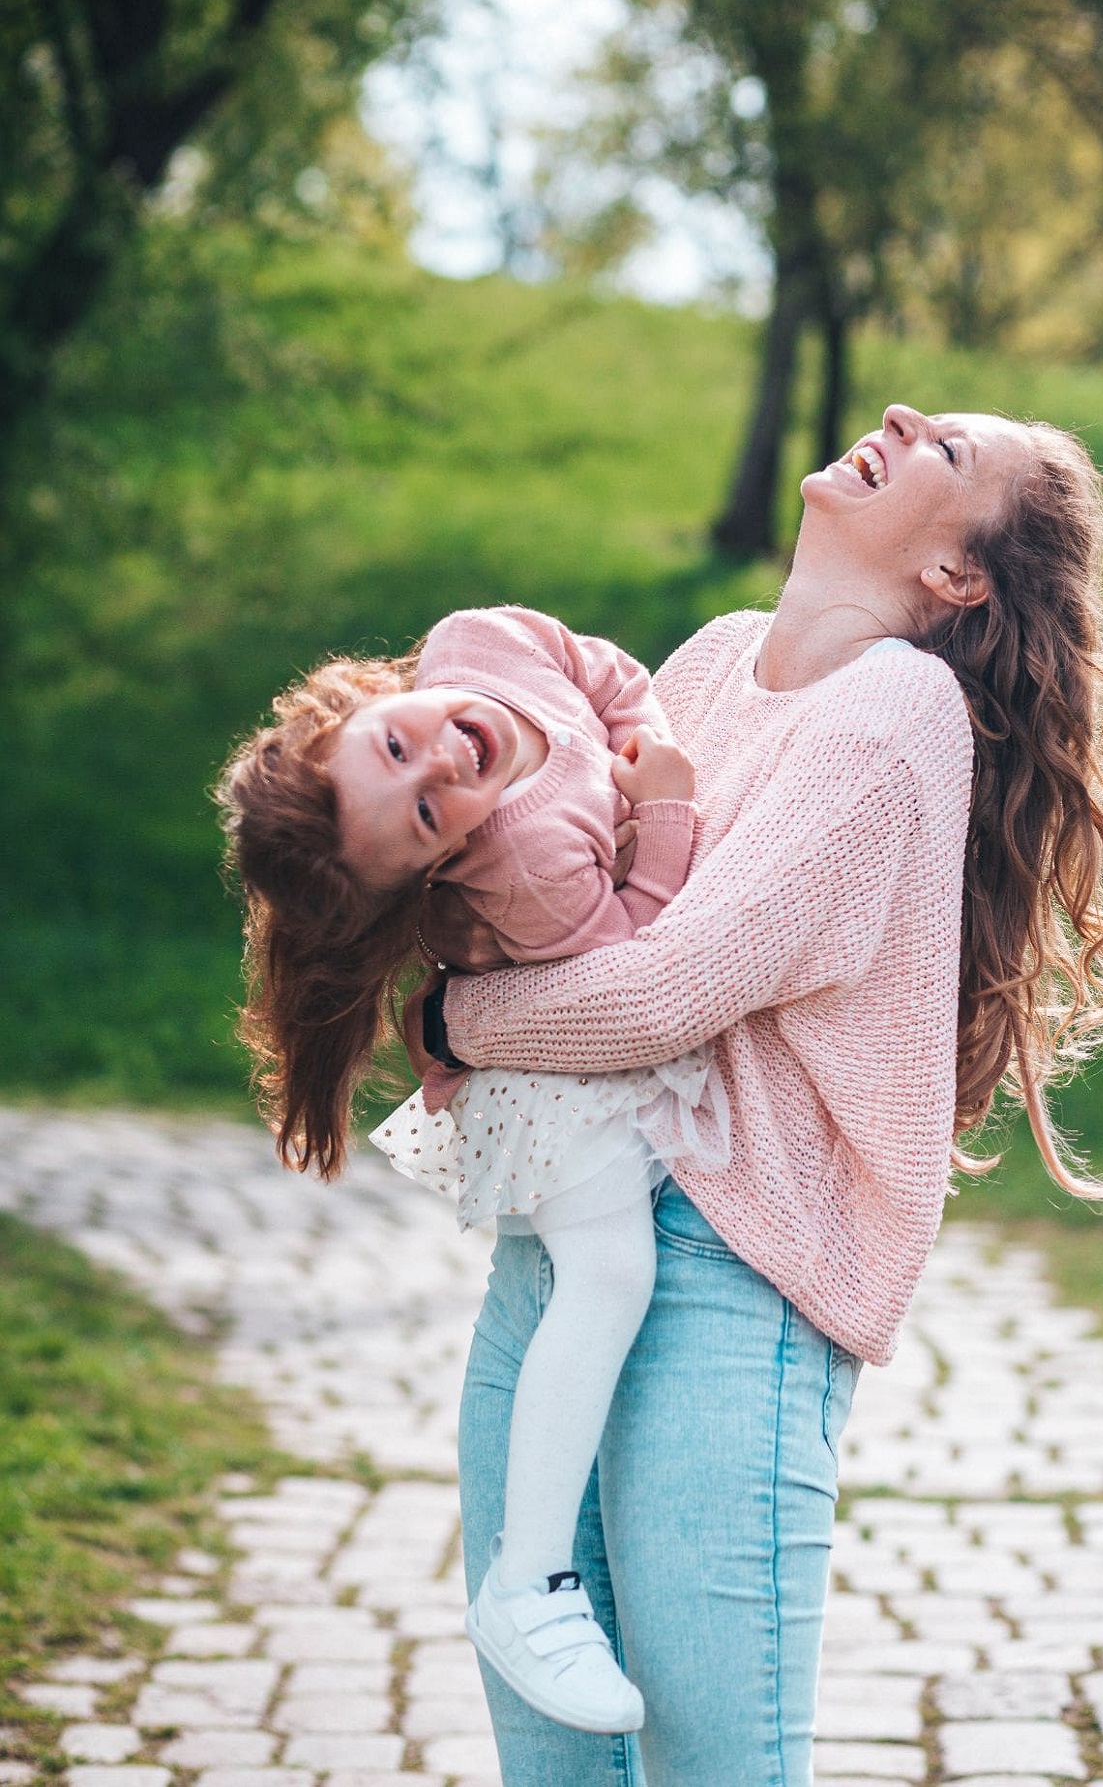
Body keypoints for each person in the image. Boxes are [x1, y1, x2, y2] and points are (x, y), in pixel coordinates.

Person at [405, 403, 1103, 1786]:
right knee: (550, 1757)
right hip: (565, 1241)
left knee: (714, 1766)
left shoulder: (896, 712)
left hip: (728, 1279)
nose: (901, 415)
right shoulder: (714, 658)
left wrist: (455, 1019)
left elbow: (664, 989)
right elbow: (584, 898)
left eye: (947, 452)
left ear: (957, 577)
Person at [217, 604, 731, 1736]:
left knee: (590, 1287)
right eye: (430, 814)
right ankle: (529, 1581)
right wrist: (667, 809)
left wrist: (641, 737)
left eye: (398, 748)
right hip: (552, 1078)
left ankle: (549, 1567)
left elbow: (595, 668)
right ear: (443, 861)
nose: (443, 763)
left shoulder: (476, 645)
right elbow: (633, 958)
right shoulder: (535, 875)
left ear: (353, 706)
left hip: (550, 1036)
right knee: (608, 1279)